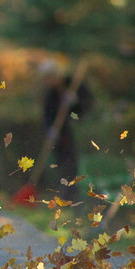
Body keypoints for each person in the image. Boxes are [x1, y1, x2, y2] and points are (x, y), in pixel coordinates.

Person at [38, 59, 92, 202]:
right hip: (62, 135)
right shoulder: (51, 93)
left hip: (79, 130)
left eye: (49, 78)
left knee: (75, 165)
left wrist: (76, 102)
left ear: (56, 75)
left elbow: (87, 105)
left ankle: (76, 197)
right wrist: (50, 129)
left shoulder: (74, 84)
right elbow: (48, 114)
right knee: (63, 165)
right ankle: (65, 196)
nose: (47, 82)